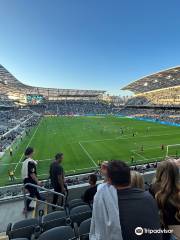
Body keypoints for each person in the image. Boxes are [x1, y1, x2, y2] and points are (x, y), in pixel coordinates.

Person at [90, 160, 162, 240]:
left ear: (109, 180)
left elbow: (101, 191)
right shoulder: (148, 198)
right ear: (129, 177)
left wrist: (106, 177)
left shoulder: (104, 198)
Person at [149, 160, 180, 240]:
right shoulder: (176, 192)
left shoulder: (154, 188)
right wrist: (172, 167)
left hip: (163, 228)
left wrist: (170, 166)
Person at [21, 147, 42, 211]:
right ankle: (26, 207)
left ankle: (39, 198)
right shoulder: (30, 162)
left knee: (34, 189)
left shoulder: (25, 160)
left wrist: (35, 162)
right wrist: (38, 182)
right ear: (31, 152)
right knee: (32, 193)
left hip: (26, 179)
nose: (34, 153)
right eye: (33, 152)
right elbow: (32, 174)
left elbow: (31, 162)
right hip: (29, 180)